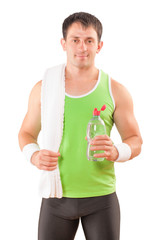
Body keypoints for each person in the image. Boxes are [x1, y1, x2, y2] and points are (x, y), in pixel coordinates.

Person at [18, 12, 143, 240]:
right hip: (56, 198)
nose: (82, 47)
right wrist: (33, 156)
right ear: (64, 43)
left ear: (99, 45)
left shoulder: (116, 90)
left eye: (89, 41)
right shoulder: (43, 88)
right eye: (75, 40)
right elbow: (26, 133)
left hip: (101, 200)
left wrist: (117, 151)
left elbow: (135, 140)